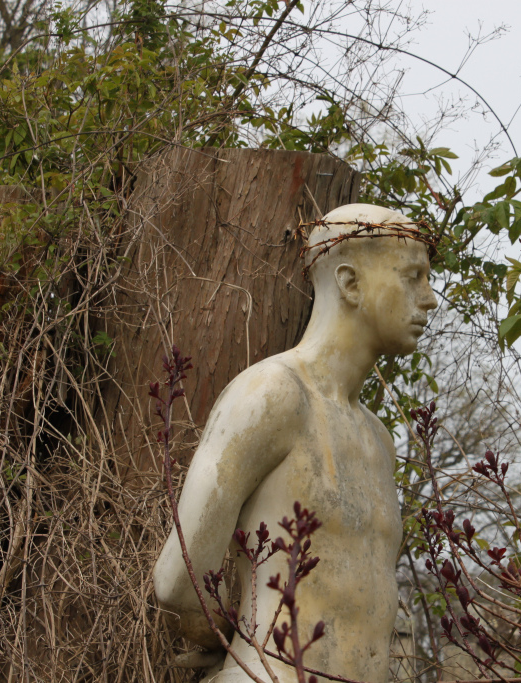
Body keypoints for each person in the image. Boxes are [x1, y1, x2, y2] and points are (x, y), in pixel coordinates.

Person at [153, 203, 438, 683]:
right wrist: (242, 645)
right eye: (413, 277)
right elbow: (179, 580)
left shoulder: (378, 438)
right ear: (350, 283)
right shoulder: (271, 395)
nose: (429, 299)